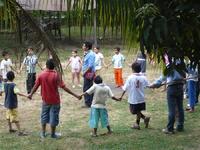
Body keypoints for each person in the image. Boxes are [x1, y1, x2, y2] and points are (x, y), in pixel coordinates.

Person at [28, 59, 82, 139]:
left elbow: (36, 86)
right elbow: (64, 87)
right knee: (54, 117)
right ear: (54, 67)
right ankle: (53, 134)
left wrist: (31, 94)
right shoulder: (56, 75)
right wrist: (76, 95)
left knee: (44, 116)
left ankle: (43, 133)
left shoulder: (41, 75)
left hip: (45, 100)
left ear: (46, 66)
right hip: (55, 101)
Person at [149, 54, 185, 134]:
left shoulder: (169, 66)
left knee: (172, 109)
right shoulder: (181, 64)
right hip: (180, 86)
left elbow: (162, 78)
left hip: (172, 88)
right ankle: (180, 126)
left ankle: (170, 129)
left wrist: (154, 84)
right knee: (180, 107)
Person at [120, 62, 150, 130]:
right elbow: (148, 85)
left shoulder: (130, 77)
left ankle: (142, 120)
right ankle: (138, 123)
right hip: (141, 97)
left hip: (133, 98)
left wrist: (121, 96)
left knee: (133, 111)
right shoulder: (143, 77)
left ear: (133, 69)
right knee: (138, 110)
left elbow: (125, 88)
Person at [2, 71, 28, 136]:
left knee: (8, 117)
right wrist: (26, 95)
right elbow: (17, 93)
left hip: (7, 104)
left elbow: (2, 91)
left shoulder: (5, 84)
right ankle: (20, 132)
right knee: (15, 118)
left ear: (7, 77)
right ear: (13, 77)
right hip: (12, 105)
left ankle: (10, 129)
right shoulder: (13, 85)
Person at [82, 41, 96, 107]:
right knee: (88, 87)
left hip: (89, 73)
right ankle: (89, 102)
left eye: (84, 46)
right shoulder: (87, 53)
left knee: (87, 87)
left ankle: (88, 103)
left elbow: (90, 66)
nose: (82, 47)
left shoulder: (91, 54)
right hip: (87, 72)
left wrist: (84, 73)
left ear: (87, 47)